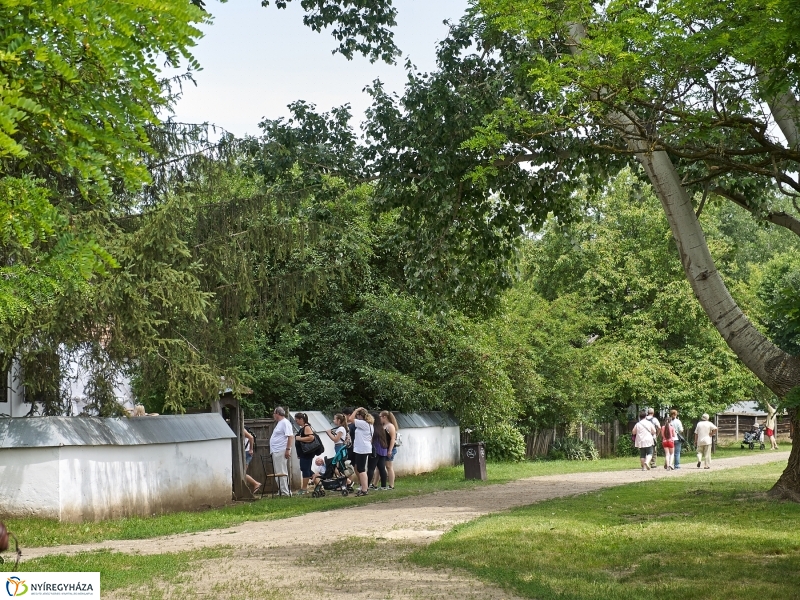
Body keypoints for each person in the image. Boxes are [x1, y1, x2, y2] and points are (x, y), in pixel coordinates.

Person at [349, 407, 374, 496]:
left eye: (357, 415)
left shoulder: (363, 423)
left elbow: (350, 419)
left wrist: (355, 410)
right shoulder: (369, 424)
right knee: (360, 468)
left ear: (360, 416)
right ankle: (364, 487)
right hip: (363, 448)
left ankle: (364, 489)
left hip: (362, 449)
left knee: (361, 469)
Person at [269, 407, 294, 497]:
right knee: (278, 472)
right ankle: (281, 490)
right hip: (276, 451)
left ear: (277, 414)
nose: (273, 415)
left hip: (281, 450)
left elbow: (290, 436)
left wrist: (288, 449)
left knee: (281, 471)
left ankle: (285, 492)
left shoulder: (285, 423)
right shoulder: (280, 423)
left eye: (274, 413)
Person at [294, 412, 316, 495]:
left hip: (307, 453)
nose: (296, 422)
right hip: (303, 453)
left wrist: (300, 438)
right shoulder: (303, 427)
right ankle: (318, 483)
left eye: (297, 420)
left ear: (301, 419)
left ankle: (304, 488)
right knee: (305, 468)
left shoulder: (306, 427)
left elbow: (311, 437)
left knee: (305, 469)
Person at [367, 413, 389, 490]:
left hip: (375, 450)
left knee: (370, 468)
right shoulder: (381, 428)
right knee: (382, 468)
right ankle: (383, 485)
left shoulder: (372, 428)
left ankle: (365, 485)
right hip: (383, 450)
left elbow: (371, 440)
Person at [380, 410, 399, 490]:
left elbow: (392, 439)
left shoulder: (390, 426)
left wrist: (390, 450)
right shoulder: (384, 425)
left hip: (389, 448)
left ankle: (391, 485)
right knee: (382, 466)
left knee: (389, 466)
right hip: (385, 448)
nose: (379, 418)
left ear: (384, 417)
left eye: (380, 416)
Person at [243, 426, 262, 495]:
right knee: (242, 472)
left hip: (246, 452)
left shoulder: (242, 429)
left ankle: (256, 483)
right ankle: (255, 484)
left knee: (242, 473)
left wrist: (251, 449)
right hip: (246, 452)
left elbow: (251, 437)